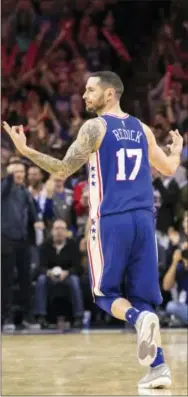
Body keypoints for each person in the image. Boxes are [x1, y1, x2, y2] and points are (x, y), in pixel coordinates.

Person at [3, 71, 183, 389]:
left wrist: (25, 151)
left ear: (110, 93)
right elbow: (169, 168)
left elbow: (62, 168)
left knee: (104, 295)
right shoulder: (142, 130)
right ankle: (159, 368)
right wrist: (176, 149)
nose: (84, 95)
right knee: (143, 298)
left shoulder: (95, 127)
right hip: (145, 220)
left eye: (90, 90)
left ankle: (138, 321)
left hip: (111, 219)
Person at [1, 162, 43, 331]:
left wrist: (37, 221)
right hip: (5, 239)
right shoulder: (4, 188)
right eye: (16, 172)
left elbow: (32, 209)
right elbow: (6, 185)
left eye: (21, 172)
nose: (19, 175)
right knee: (7, 280)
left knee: (26, 280)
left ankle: (28, 316)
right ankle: (7, 317)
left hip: (23, 239)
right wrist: (9, 175)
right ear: (10, 174)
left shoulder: (24, 191)